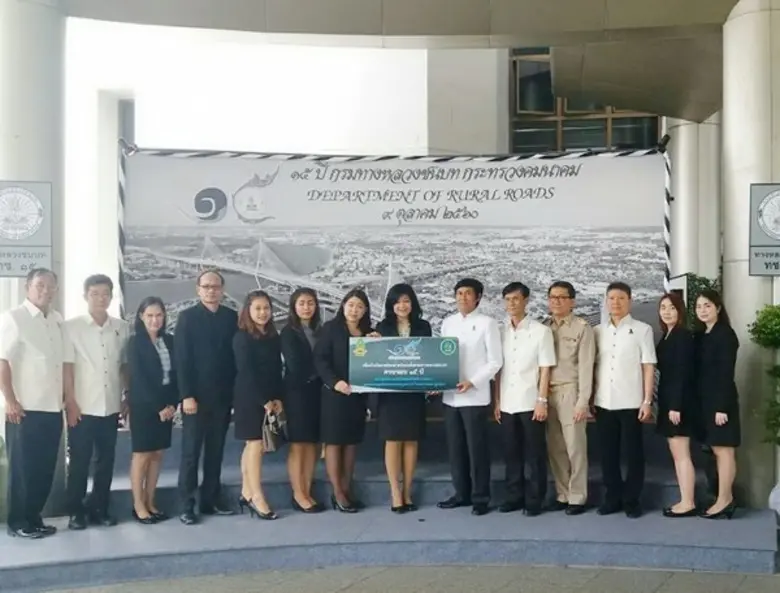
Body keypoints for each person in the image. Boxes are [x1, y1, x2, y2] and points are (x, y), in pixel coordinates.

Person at [0, 268, 65, 539]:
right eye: (40, 285)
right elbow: (2, 361)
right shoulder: (14, 317)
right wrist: (10, 400)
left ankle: (34, 517)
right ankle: (18, 522)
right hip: (24, 409)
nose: (45, 291)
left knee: (44, 468)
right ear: (28, 287)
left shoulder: (56, 319)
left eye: (50, 286)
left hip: (52, 408)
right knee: (23, 470)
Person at [63, 274, 130, 530]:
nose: (101, 298)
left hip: (110, 405)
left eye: (105, 294)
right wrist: (70, 401)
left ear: (112, 296)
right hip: (82, 406)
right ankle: (75, 511)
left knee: (106, 461)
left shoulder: (121, 327)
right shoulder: (71, 327)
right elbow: (67, 367)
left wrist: (126, 395)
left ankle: (100, 508)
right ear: (85, 296)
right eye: (95, 294)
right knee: (79, 461)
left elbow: (124, 366)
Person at [174, 269, 238, 525]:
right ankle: (187, 505)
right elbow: (182, 360)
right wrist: (186, 395)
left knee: (215, 451)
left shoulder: (231, 317)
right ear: (198, 289)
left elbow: (233, 359)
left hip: (222, 397)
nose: (211, 290)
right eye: (206, 286)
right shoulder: (187, 318)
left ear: (222, 290)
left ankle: (210, 500)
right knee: (191, 453)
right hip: (195, 399)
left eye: (216, 286)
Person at [437, 278, 502, 516]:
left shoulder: (488, 323)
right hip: (450, 397)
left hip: (475, 396)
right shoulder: (448, 323)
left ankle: (481, 497)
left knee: (477, 451)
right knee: (456, 450)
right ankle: (461, 493)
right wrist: (437, 381)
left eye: (468, 293)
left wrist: (472, 381)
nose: (463, 297)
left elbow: (495, 361)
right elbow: (440, 357)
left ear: (478, 298)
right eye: (459, 293)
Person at [593, 281, 656, 519]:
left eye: (621, 298)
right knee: (607, 454)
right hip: (603, 401)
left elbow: (648, 366)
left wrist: (647, 400)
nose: (615, 303)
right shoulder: (598, 331)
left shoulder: (642, 330)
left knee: (634, 454)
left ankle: (632, 500)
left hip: (631, 402)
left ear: (630, 301)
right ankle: (612, 498)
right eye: (611, 298)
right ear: (606, 301)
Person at [493, 282, 556, 516]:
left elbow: (546, 368)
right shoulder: (500, 333)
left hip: (531, 402)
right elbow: (499, 370)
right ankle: (514, 497)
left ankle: (535, 499)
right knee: (511, 453)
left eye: (516, 299)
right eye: (508, 300)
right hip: (507, 402)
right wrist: (497, 401)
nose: (511, 304)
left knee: (535, 454)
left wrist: (542, 400)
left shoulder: (541, 331)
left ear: (526, 301)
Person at [314, 288, 373, 513]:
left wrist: (377, 343)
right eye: (351, 305)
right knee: (334, 442)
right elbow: (320, 359)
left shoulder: (368, 332)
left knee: (351, 442)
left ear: (365, 310)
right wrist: (334, 382)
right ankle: (337, 492)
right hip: (335, 395)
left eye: (359, 306)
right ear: (343, 306)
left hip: (357, 396)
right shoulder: (331, 328)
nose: (354, 310)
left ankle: (347, 489)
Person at [375, 283, 432, 513]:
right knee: (392, 440)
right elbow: (376, 358)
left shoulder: (423, 327)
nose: (402, 305)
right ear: (391, 305)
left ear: (413, 303)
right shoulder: (382, 327)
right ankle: (395, 492)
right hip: (390, 393)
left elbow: (429, 358)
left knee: (411, 440)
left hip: (414, 392)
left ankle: (407, 491)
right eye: (397, 301)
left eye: (406, 301)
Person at [543, 281, 595, 516]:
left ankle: (577, 496)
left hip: (570, 391)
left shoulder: (582, 328)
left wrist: (583, 401)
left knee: (575, 447)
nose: (556, 301)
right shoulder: (544, 327)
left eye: (561, 297)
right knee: (555, 448)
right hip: (547, 393)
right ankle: (562, 494)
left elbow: (586, 367)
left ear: (572, 302)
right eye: (552, 297)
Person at [126, 296, 178, 524]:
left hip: (167, 404)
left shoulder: (170, 340)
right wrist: (158, 407)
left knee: (157, 454)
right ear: (141, 317)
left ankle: (150, 502)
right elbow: (138, 378)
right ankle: (138, 505)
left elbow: (176, 374)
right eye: (150, 316)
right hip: (144, 405)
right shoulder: (135, 343)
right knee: (142, 455)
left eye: (159, 315)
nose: (155, 320)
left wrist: (172, 404)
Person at [233, 291, 284, 521]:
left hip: (269, 398)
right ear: (248, 311)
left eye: (266, 308)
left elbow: (276, 370)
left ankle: (246, 491)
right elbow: (246, 373)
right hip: (249, 397)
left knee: (254, 446)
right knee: (255, 444)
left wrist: (277, 397)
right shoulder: (242, 338)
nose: (263, 313)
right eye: (258, 308)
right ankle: (257, 496)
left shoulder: (272, 336)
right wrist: (263, 400)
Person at [694, 289, 740, 519]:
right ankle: (723, 498)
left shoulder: (725, 334)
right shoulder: (704, 335)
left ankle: (725, 499)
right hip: (707, 402)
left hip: (721, 403)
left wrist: (721, 407)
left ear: (718, 308)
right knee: (717, 449)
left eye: (707, 305)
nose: (703, 310)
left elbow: (725, 373)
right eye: (699, 306)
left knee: (724, 450)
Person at [280, 288, 324, 513]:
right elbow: (295, 364)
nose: (306, 307)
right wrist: (323, 370)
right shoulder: (288, 332)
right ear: (294, 307)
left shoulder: (319, 330)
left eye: (310, 303)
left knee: (313, 444)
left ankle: (307, 491)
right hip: (297, 394)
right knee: (299, 444)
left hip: (318, 393)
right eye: (302, 303)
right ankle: (298, 494)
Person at [655, 292, 697, 518]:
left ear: (680, 311)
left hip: (678, 404)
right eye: (663, 308)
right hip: (670, 401)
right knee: (677, 453)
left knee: (681, 454)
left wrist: (676, 406)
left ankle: (688, 502)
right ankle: (685, 499)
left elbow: (682, 374)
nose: (667, 312)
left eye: (672, 308)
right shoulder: (667, 335)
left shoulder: (682, 336)